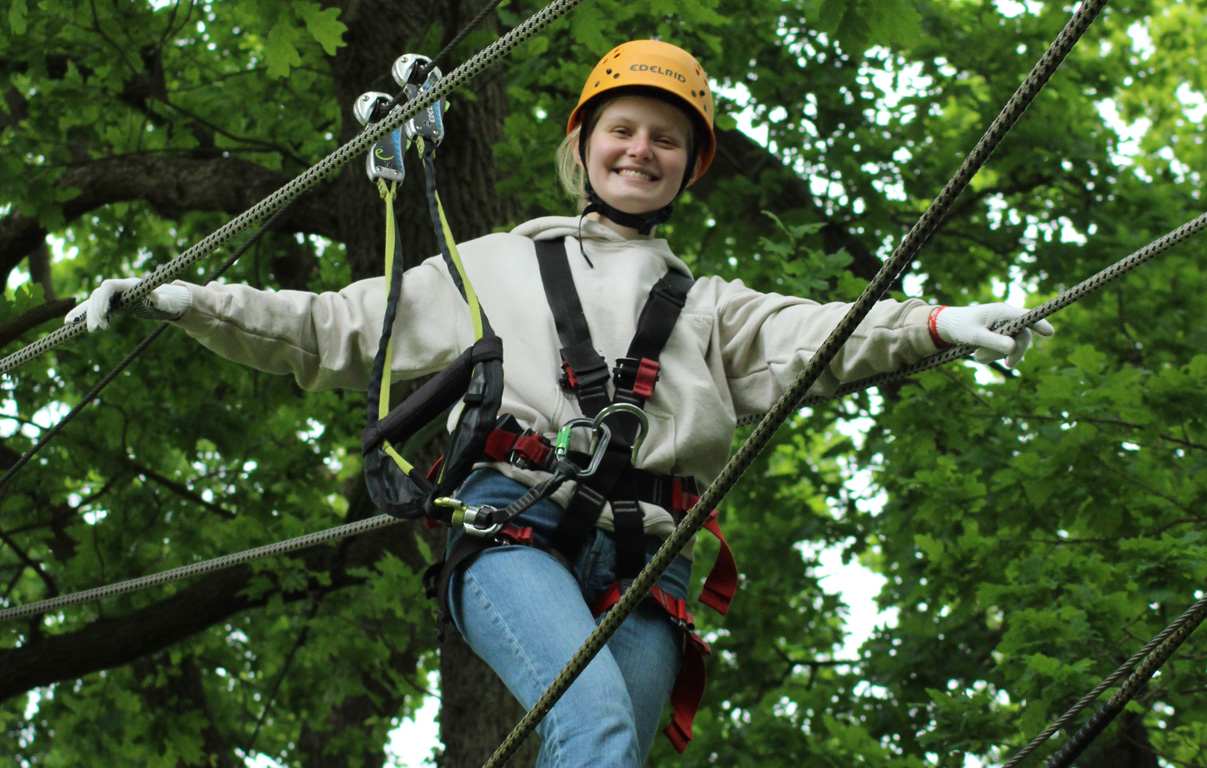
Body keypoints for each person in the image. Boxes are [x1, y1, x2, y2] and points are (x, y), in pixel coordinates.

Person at [68, 40, 1053, 768]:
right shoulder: (495, 266)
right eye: (621, 130)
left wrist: (937, 323)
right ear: (581, 146)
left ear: (689, 166)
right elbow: (334, 328)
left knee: (603, 754)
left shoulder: (711, 308)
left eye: (666, 139)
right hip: (513, 524)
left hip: (647, 563)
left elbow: (824, 332)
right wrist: (181, 299)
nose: (641, 150)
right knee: (598, 729)